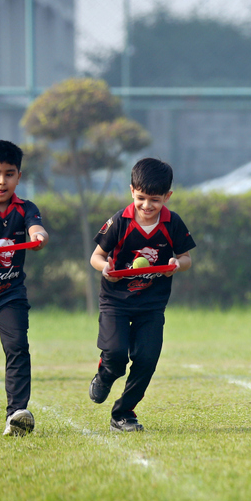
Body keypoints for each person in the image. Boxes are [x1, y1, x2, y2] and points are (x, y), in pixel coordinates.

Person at [88, 158, 195, 432]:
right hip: (116, 302)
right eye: (141, 198)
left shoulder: (172, 223)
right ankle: (105, 372)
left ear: (167, 197)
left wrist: (176, 265)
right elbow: (96, 257)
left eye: (155, 200)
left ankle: (123, 413)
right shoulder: (119, 221)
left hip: (151, 305)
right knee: (115, 355)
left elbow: (186, 258)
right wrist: (105, 268)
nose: (147, 206)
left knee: (147, 359)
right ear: (132, 191)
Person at [0, 139, 49, 436]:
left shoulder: (26, 208)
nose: (2, 181)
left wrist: (38, 236)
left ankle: (16, 413)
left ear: (19, 175)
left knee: (17, 348)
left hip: (10, 295)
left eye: (9, 173)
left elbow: (36, 228)